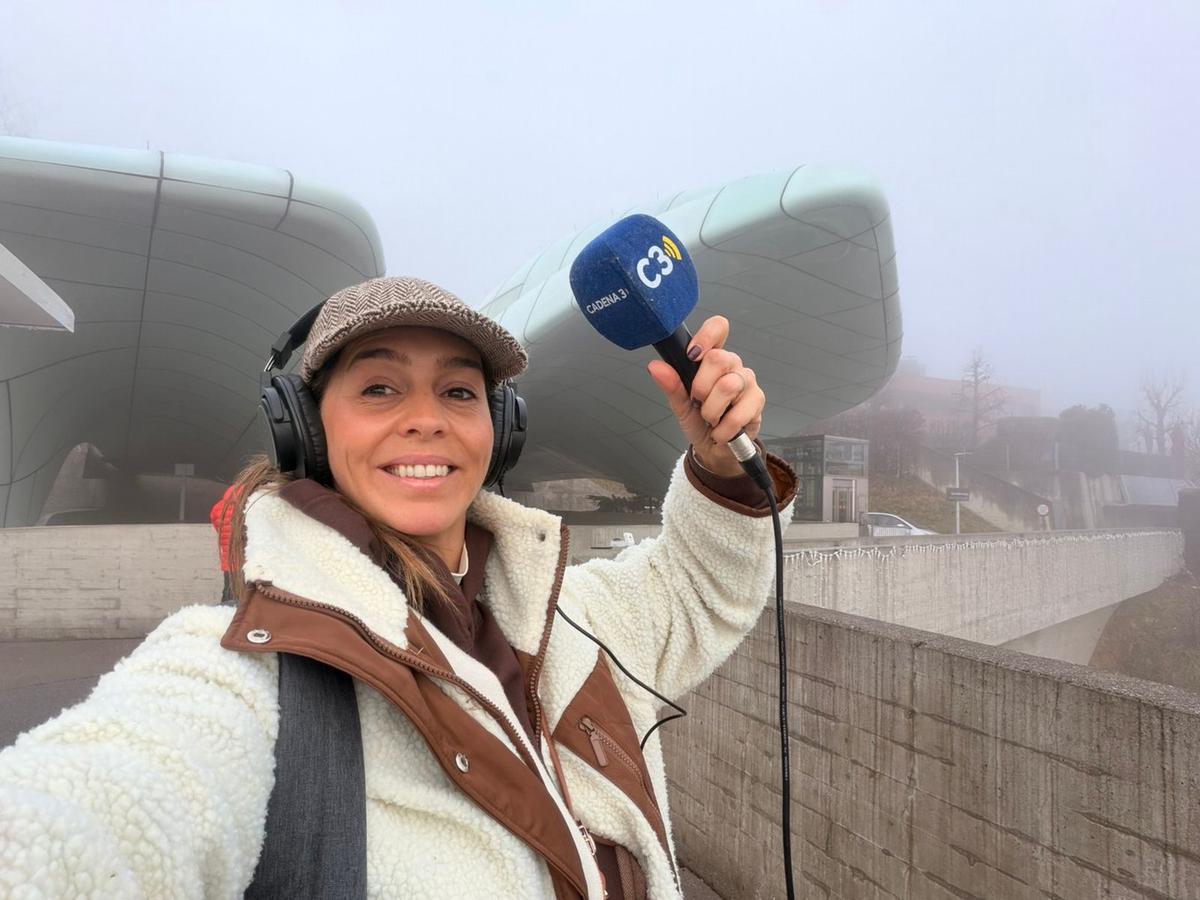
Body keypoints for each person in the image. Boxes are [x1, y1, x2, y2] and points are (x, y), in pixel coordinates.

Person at [0, 276, 796, 898]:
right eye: (379, 388)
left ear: (500, 427)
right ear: (306, 428)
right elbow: (83, 815)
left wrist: (722, 468)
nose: (427, 419)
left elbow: (697, 588)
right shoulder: (243, 674)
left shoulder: (575, 619)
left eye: (458, 390)